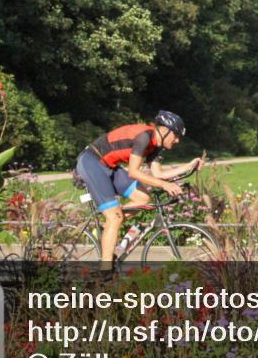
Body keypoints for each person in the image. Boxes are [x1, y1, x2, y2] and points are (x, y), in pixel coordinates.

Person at [75, 110, 202, 265]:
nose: (177, 141)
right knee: (115, 217)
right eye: (175, 135)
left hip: (109, 166)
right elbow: (134, 172)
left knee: (143, 199)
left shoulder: (156, 145)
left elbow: (158, 173)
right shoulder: (144, 137)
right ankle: (105, 269)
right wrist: (164, 185)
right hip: (91, 162)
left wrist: (189, 166)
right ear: (163, 130)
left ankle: (107, 226)